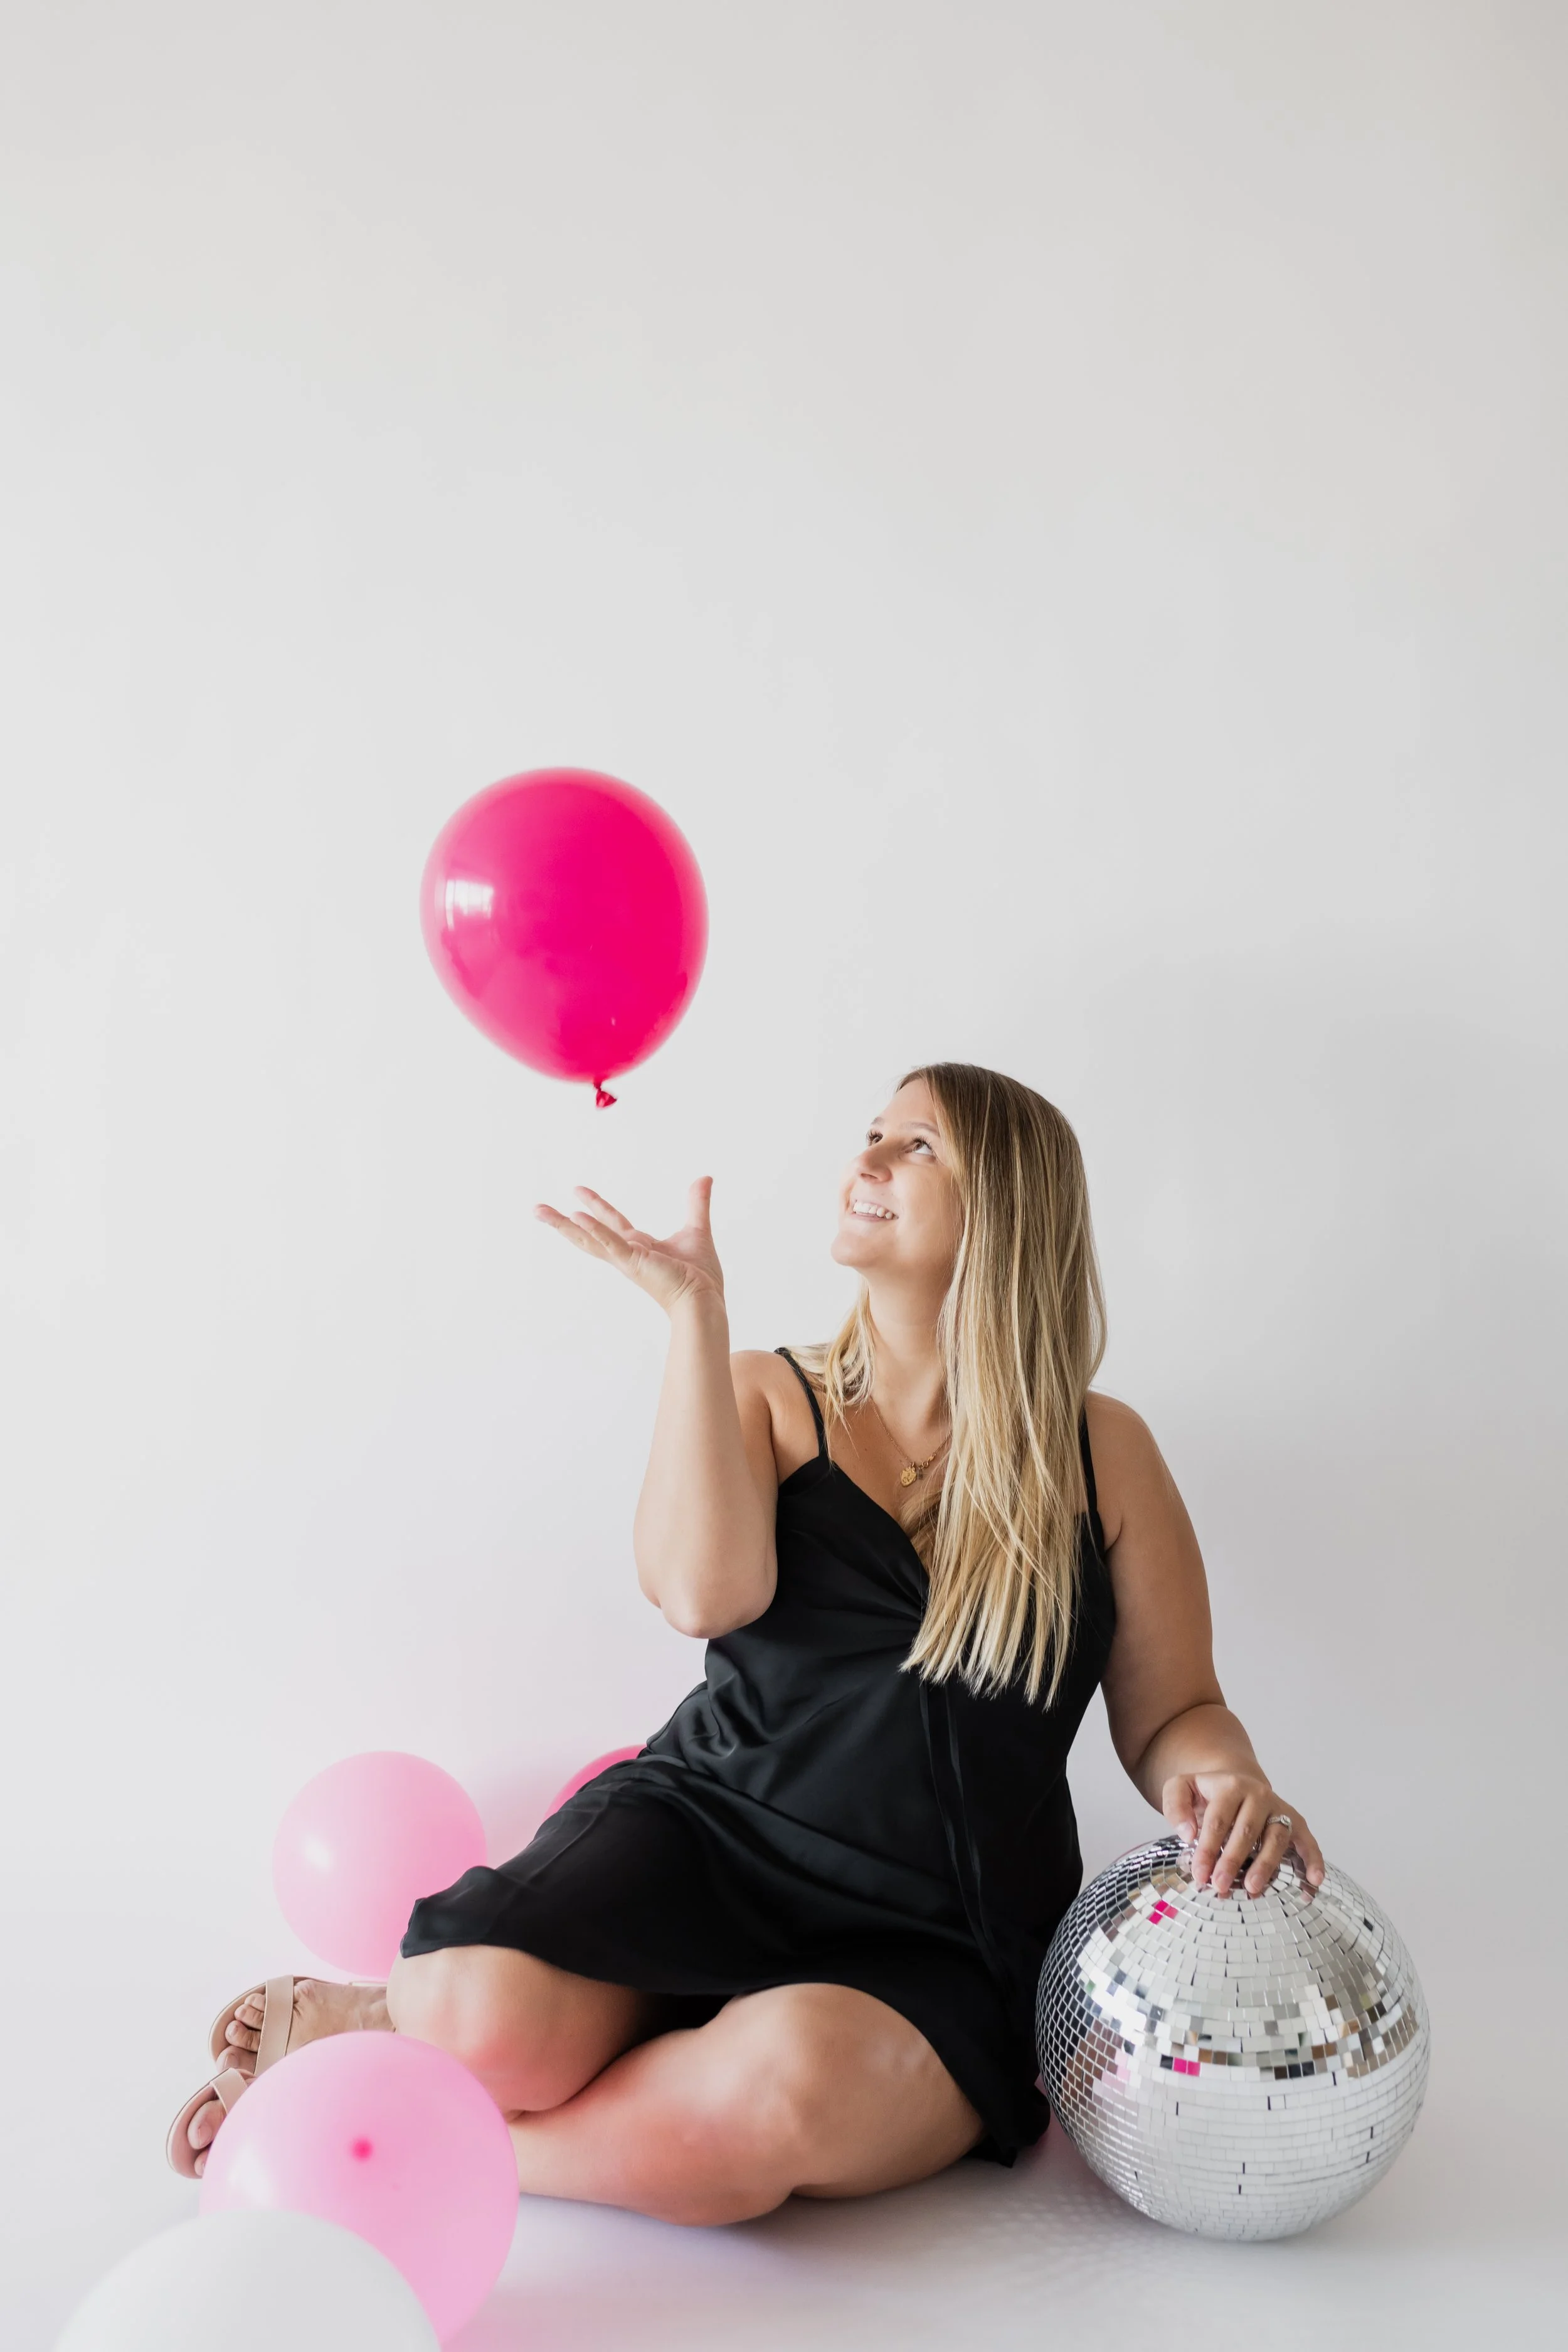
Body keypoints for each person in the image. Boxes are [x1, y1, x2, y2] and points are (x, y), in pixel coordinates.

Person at [170, 1061, 1324, 2224]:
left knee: (778, 2097)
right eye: (870, 1134)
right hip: (706, 1837)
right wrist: (694, 1318)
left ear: (1007, 1209)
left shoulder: (1101, 1452)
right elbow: (698, 1592)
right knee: (470, 2005)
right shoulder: (773, 1394)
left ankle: (444, 2136)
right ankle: (392, 2023)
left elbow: (1176, 1710)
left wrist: (1228, 1780)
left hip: (937, 1929)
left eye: (915, 1146)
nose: (866, 1161)